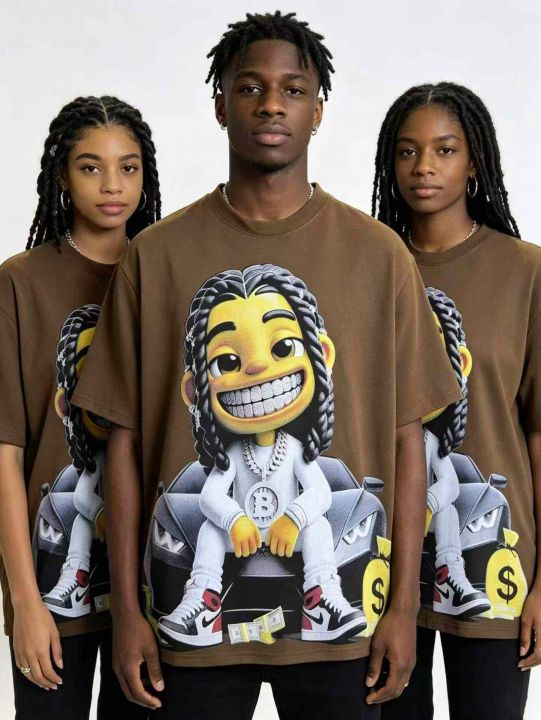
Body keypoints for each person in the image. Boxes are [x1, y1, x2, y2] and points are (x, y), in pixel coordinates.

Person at [73, 14, 460, 719]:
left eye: (293, 89)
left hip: (344, 635)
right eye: (250, 87)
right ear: (220, 104)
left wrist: (403, 608)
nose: (272, 105)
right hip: (187, 638)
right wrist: (127, 610)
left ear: (319, 109)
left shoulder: (380, 256)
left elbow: (410, 440)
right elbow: (121, 442)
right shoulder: (154, 256)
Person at [372, 81, 541, 720]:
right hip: (380, 564)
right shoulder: (369, 266)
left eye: (444, 150)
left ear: (475, 163)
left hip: (494, 560)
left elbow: (538, 430)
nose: (424, 167)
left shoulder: (527, 272)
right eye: (408, 151)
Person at [0, 95, 160, 719]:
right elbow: (6, 452)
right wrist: (23, 601)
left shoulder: (163, 274)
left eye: (129, 167)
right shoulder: (20, 282)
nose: (112, 185)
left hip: (152, 584)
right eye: (91, 167)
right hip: (51, 586)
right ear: (62, 178)